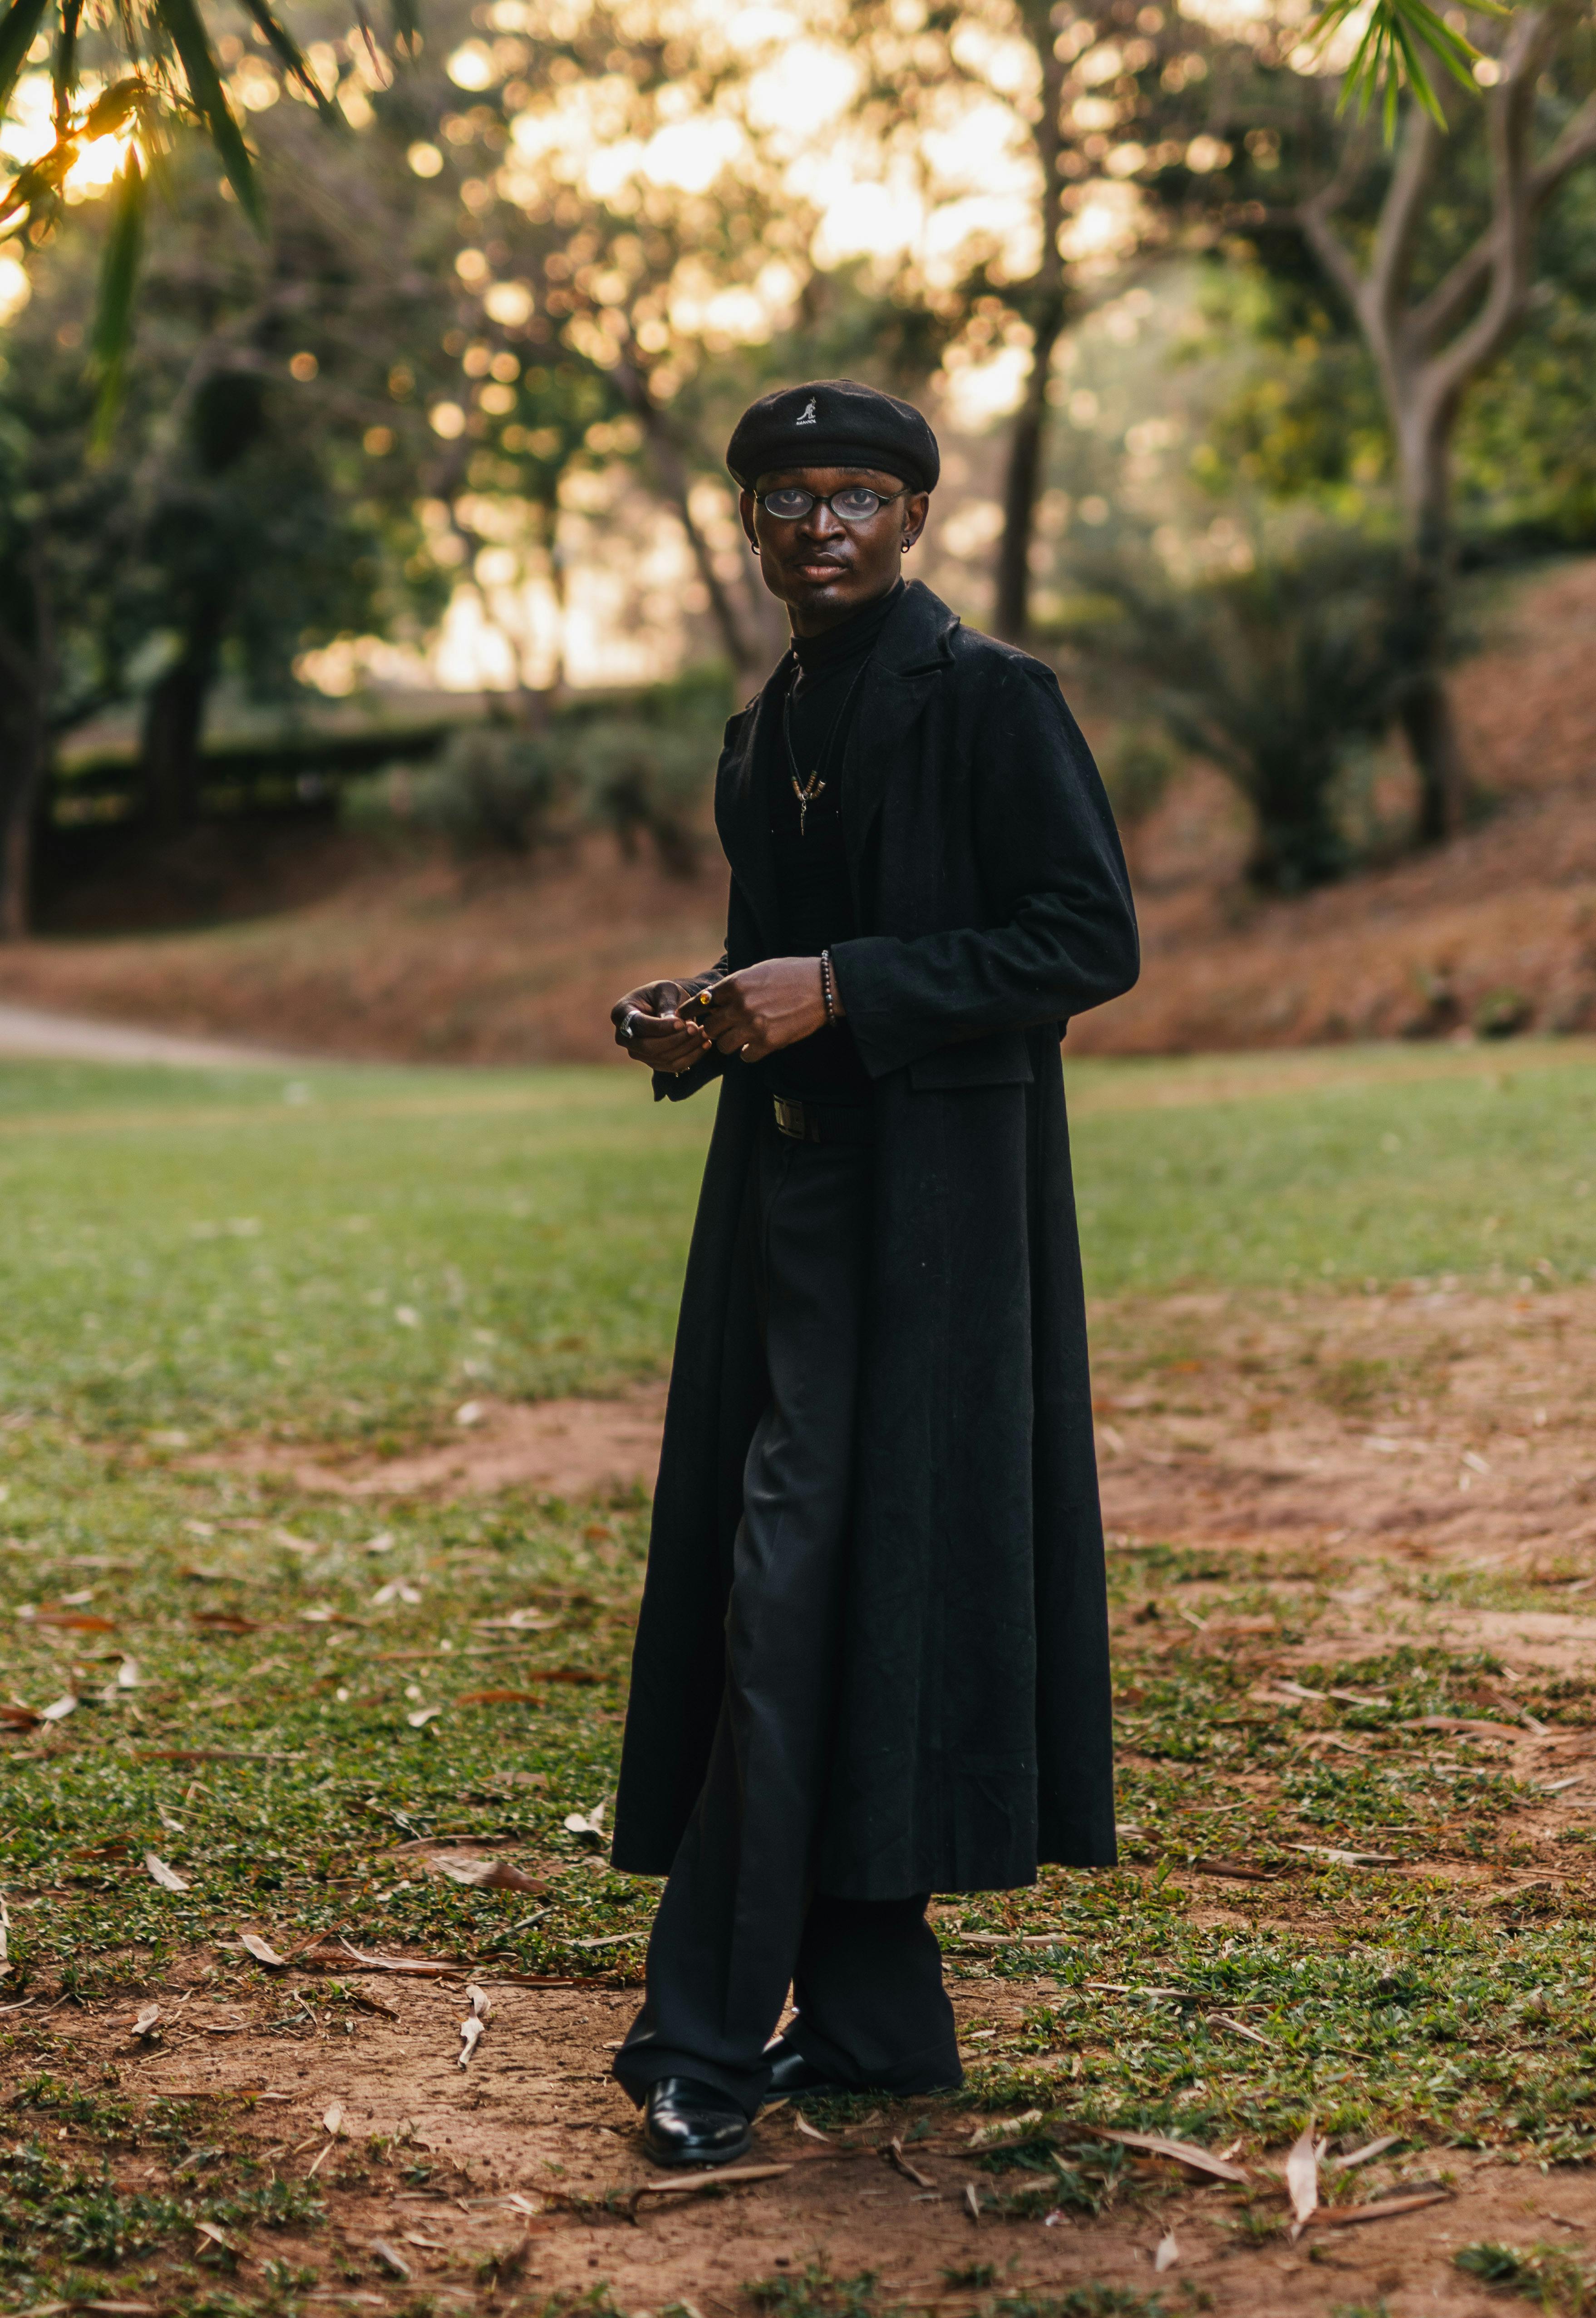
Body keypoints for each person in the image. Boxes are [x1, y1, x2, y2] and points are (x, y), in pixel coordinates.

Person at [606, 378, 1140, 2167]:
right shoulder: (766, 732)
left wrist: (841, 986)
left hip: (937, 1230)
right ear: (747, 524)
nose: (818, 523)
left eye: (854, 494)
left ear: (914, 515)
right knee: (822, 1595)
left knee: (790, 1597)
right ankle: (879, 2023)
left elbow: (1084, 937)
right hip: (785, 1221)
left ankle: (698, 2036)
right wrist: (705, 1015)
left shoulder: (989, 699)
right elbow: (780, 967)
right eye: (783, 497)